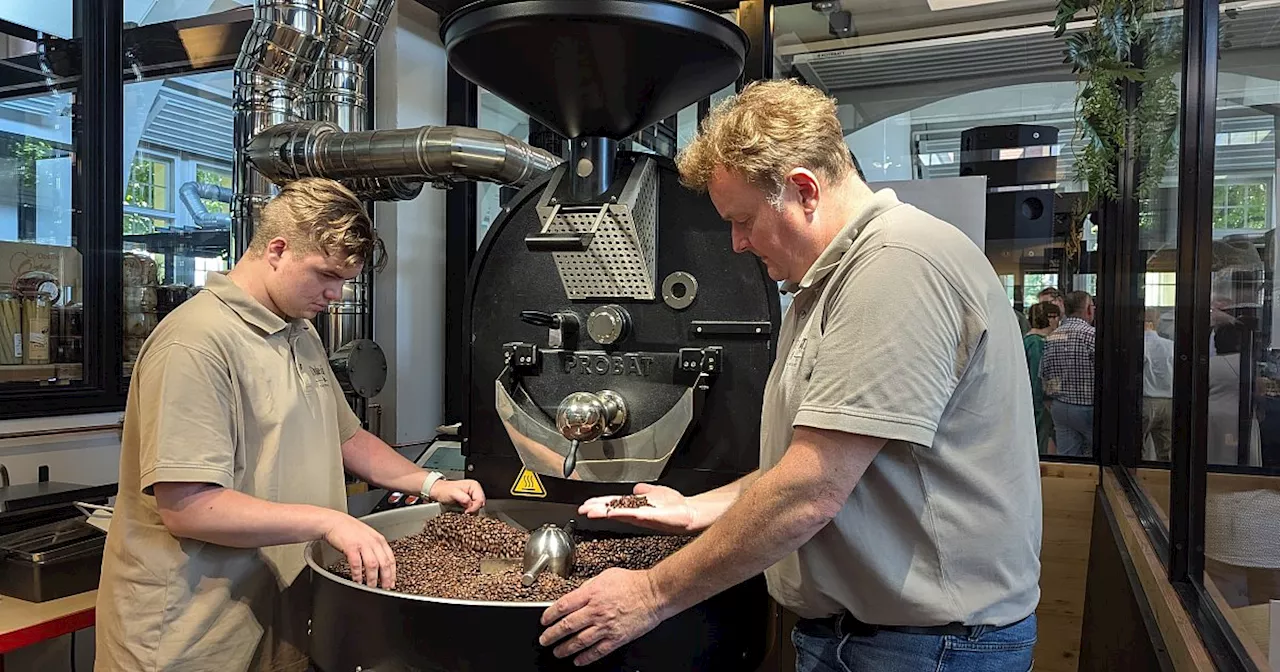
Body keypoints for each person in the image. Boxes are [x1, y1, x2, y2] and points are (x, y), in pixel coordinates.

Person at [537, 79, 1042, 671]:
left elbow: (809, 491)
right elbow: (811, 468)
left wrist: (650, 593)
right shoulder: (827, 284)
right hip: (871, 641)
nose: (736, 243)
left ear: (804, 190)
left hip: (928, 650)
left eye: (744, 219)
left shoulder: (897, 267)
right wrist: (695, 510)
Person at [95, 178, 487, 672]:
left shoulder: (298, 332)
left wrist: (431, 483)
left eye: (345, 280)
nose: (337, 295)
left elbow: (344, 436)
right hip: (194, 634)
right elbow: (190, 507)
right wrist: (330, 521)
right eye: (326, 275)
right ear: (276, 250)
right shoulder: (195, 343)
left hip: (277, 611)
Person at [1040, 290, 1096, 457]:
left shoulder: (1052, 337)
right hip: (1089, 407)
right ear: (1088, 309)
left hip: (1061, 407)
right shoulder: (1092, 336)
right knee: (1095, 459)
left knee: (1068, 459)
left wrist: (1051, 401)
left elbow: (1045, 373)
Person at [1024, 301, 1061, 453]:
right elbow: (1037, 377)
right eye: (1057, 317)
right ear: (1050, 318)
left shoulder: (1029, 339)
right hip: (1040, 402)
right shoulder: (1037, 342)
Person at [1141, 308, 1174, 461]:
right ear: (1157, 322)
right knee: (1166, 452)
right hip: (1168, 402)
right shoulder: (1170, 345)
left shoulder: (1139, 345)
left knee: (1137, 449)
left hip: (1145, 401)